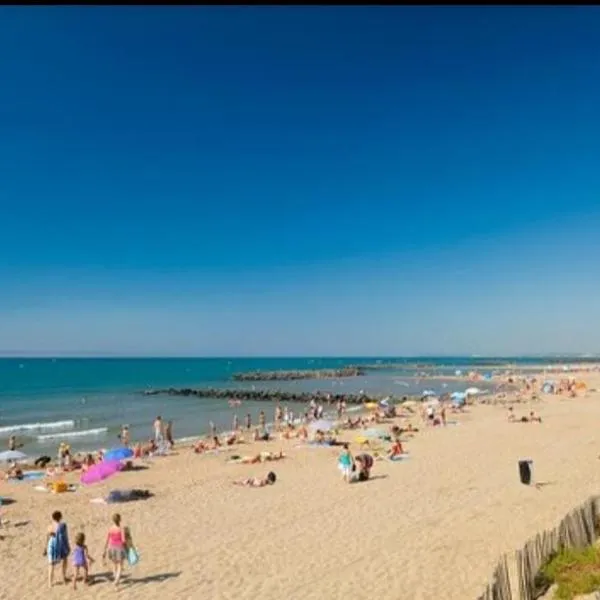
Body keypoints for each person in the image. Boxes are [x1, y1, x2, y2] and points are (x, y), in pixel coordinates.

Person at [44, 510, 71, 587]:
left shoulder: (50, 526)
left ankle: (50, 582)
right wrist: (68, 545)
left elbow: (47, 537)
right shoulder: (63, 526)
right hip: (60, 544)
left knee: (51, 564)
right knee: (64, 560)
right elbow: (65, 536)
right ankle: (63, 577)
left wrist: (45, 548)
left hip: (52, 544)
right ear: (60, 517)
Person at [102, 513, 127, 586]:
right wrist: (126, 548)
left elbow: (107, 539)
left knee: (114, 564)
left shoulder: (110, 528)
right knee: (120, 565)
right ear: (120, 520)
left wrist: (105, 549)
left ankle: (115, 577)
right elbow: (123, 540)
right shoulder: (121, 529)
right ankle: (117, 580)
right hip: (119, 548)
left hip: (112, 547)